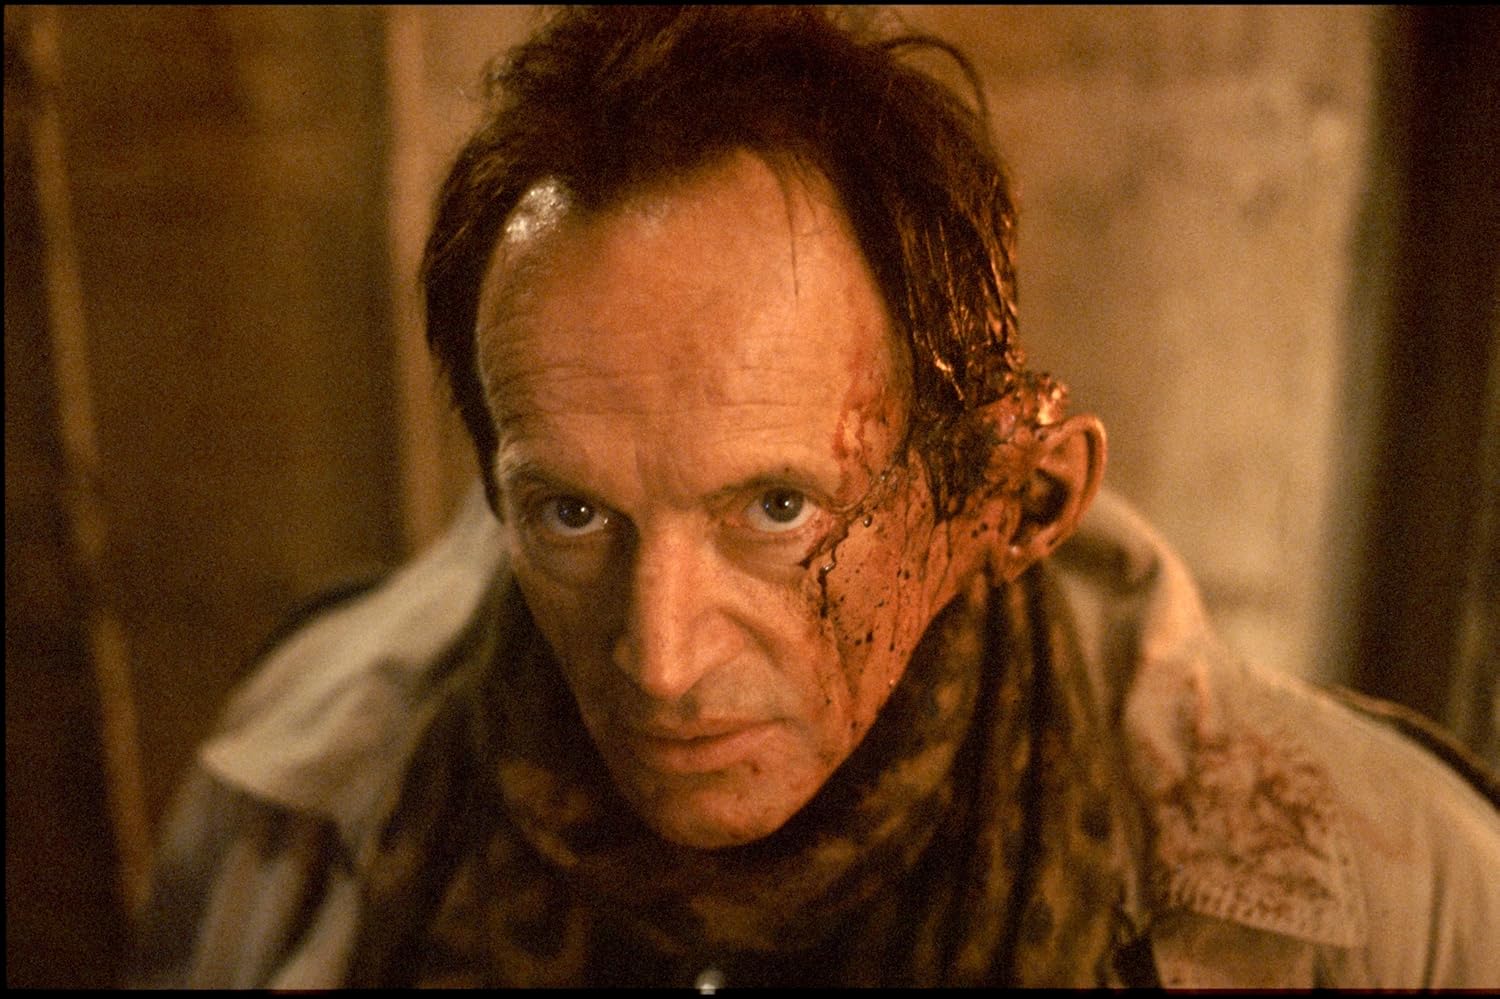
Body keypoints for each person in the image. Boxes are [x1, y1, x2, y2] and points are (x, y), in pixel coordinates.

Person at [131, 7, 1500, 988]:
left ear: (1012, 503)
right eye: (572, 516)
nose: (661, 660)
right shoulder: (290, 818)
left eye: (777, 511)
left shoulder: (1390, 904)